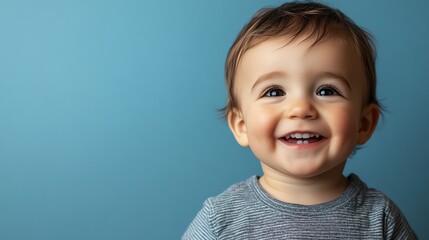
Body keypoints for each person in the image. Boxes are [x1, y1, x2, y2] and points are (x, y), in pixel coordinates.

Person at [183, 1, 417, 239]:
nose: (301, 109)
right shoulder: (220, 219)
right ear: (241, 126)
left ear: (364, 123)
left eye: (327, 91)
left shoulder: (381, 218)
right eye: (274, 92)